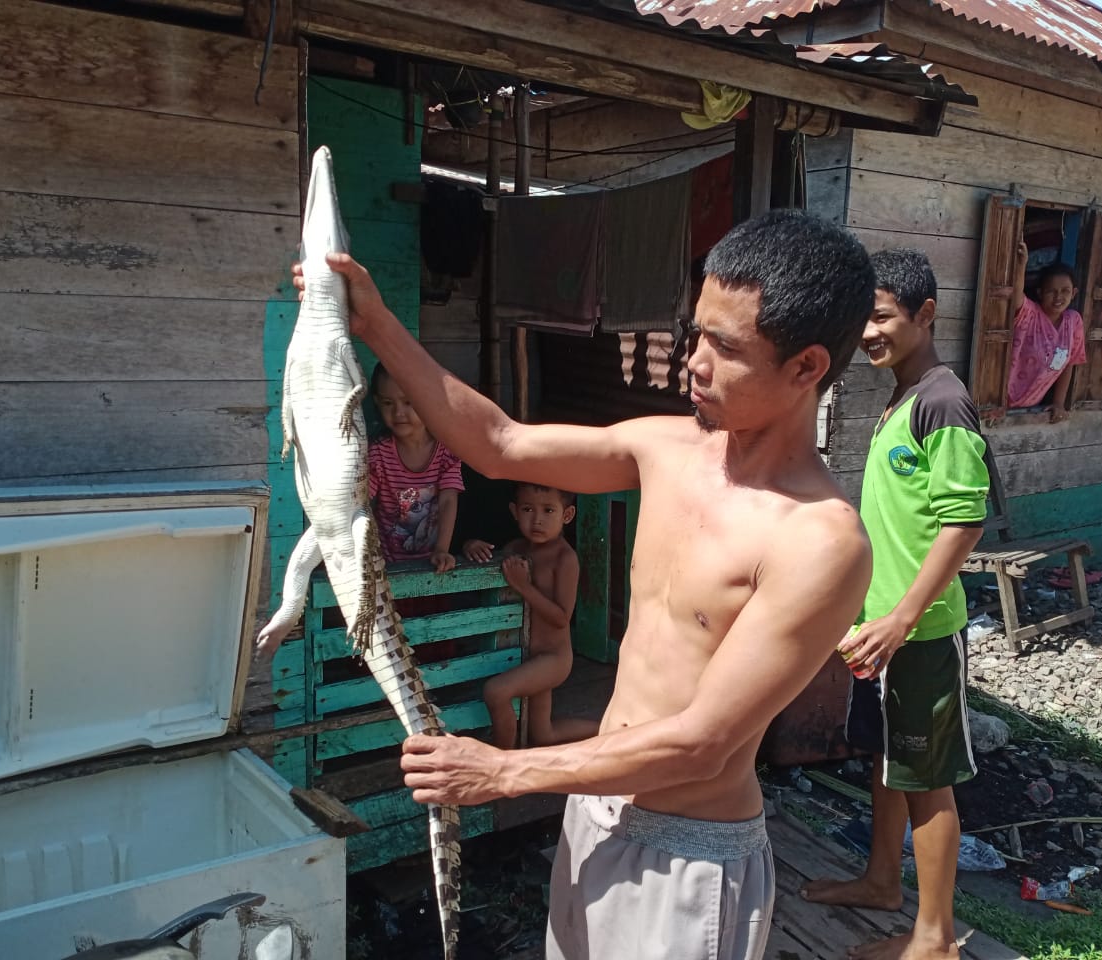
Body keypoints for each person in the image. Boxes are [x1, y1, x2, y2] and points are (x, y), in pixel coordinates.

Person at [294, 210, 876, 960]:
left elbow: (704, 743)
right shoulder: (663, 447)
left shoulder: (819, 542)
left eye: (725, 348)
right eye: (696, 332)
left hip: (687, 852)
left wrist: (505, 771)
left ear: (807, 368)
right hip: (592, 809)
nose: (694, 361)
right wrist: (373, 323)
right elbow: (500, 444)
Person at [801, 248, 988, 960]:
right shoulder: (901, 399)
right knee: (884, 759)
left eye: (880, 317)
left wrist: (904, 616)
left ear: (925, 315)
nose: (869, 333)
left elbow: (962, 520)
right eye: (863, 320)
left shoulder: (943, 398)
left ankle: (935, 940)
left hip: (920, 633)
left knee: (925, 778)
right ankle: (882, 881)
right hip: (877, 628)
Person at [468, 483, 600, 749]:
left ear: (567, 515)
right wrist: (472, 545)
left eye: (548, 510)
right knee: (543, 736)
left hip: (553, 659)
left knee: (496, 692)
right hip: (531, 657)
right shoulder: (516, 547)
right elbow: (494, 559)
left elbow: (562, 617)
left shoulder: (565, 558)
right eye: (528, 509)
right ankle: (610, 728)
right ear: (515, 512)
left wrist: (524, 586)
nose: (537, 519)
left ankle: (501, 762)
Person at [368, 362, 464, 572]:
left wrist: (442, 550)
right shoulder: (378, 454)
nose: (398, 412)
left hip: (435, 566)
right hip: (389, 568)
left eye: (408, 402)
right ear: (377, 403)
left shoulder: (446, 451)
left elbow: (448, 499)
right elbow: (362, 504)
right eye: (387, 403)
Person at [1005, 242, 1087, 422]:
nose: (1059, 297)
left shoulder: (1073, 322)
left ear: (1074, 293)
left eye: (1065, 291)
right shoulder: (1029, 313)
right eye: (1052, 291)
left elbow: (1069, 364)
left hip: (1034, 406)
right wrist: (1021, 266)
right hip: (1002, 401)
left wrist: (1058, 403)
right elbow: (1016, 296)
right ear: (1040, 293)